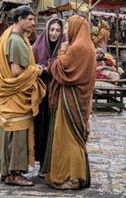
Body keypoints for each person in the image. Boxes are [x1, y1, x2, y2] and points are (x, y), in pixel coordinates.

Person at [42, 15, 96, 191]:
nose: (65, 33)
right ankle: (75, 176)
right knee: (74, 139)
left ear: (75, 28)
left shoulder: (77, 48)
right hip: (79, 99)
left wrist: (62, 53)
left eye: (66, 29)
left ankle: (73, 178)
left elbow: (61, 68)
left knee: (69, 139)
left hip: (71, 100)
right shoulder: (88, 46)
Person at [0, 6, 46, 186]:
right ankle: (15, 174)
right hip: (16, 95)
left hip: (10, 96)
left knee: (9, 132)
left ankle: (7, 171)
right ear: (19, 20)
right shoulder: (16, 40)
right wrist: (36, 70)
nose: (33, 23)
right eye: (30, 19)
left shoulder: (12, 34)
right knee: (17, 134)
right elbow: (16, 71)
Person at [32, 17, 66, 175]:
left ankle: (52, 164)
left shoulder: (65, 48)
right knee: (41, 128)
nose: (54, 33)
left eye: (58, 30)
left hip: (57, 94)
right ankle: (41, 164)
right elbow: (30, 66)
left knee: (55, 129)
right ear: (46, 30)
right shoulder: (37, 47)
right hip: (41, 95)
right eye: (51, 29)